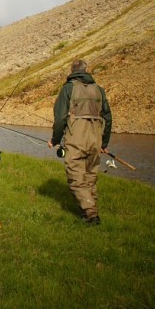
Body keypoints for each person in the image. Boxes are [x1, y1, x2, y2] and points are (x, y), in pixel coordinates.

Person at [48, 59, 112, 225]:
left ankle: (91, 213)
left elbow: (60, 118)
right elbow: (108, 117)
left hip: (76, 137)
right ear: (86, 70)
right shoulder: (99, 90)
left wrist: (55, 139)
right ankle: (89, 210)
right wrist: (104, 143)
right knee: (90, 175)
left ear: (71, 71)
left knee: (75, 175)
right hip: (96, 138)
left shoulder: (68, 89)